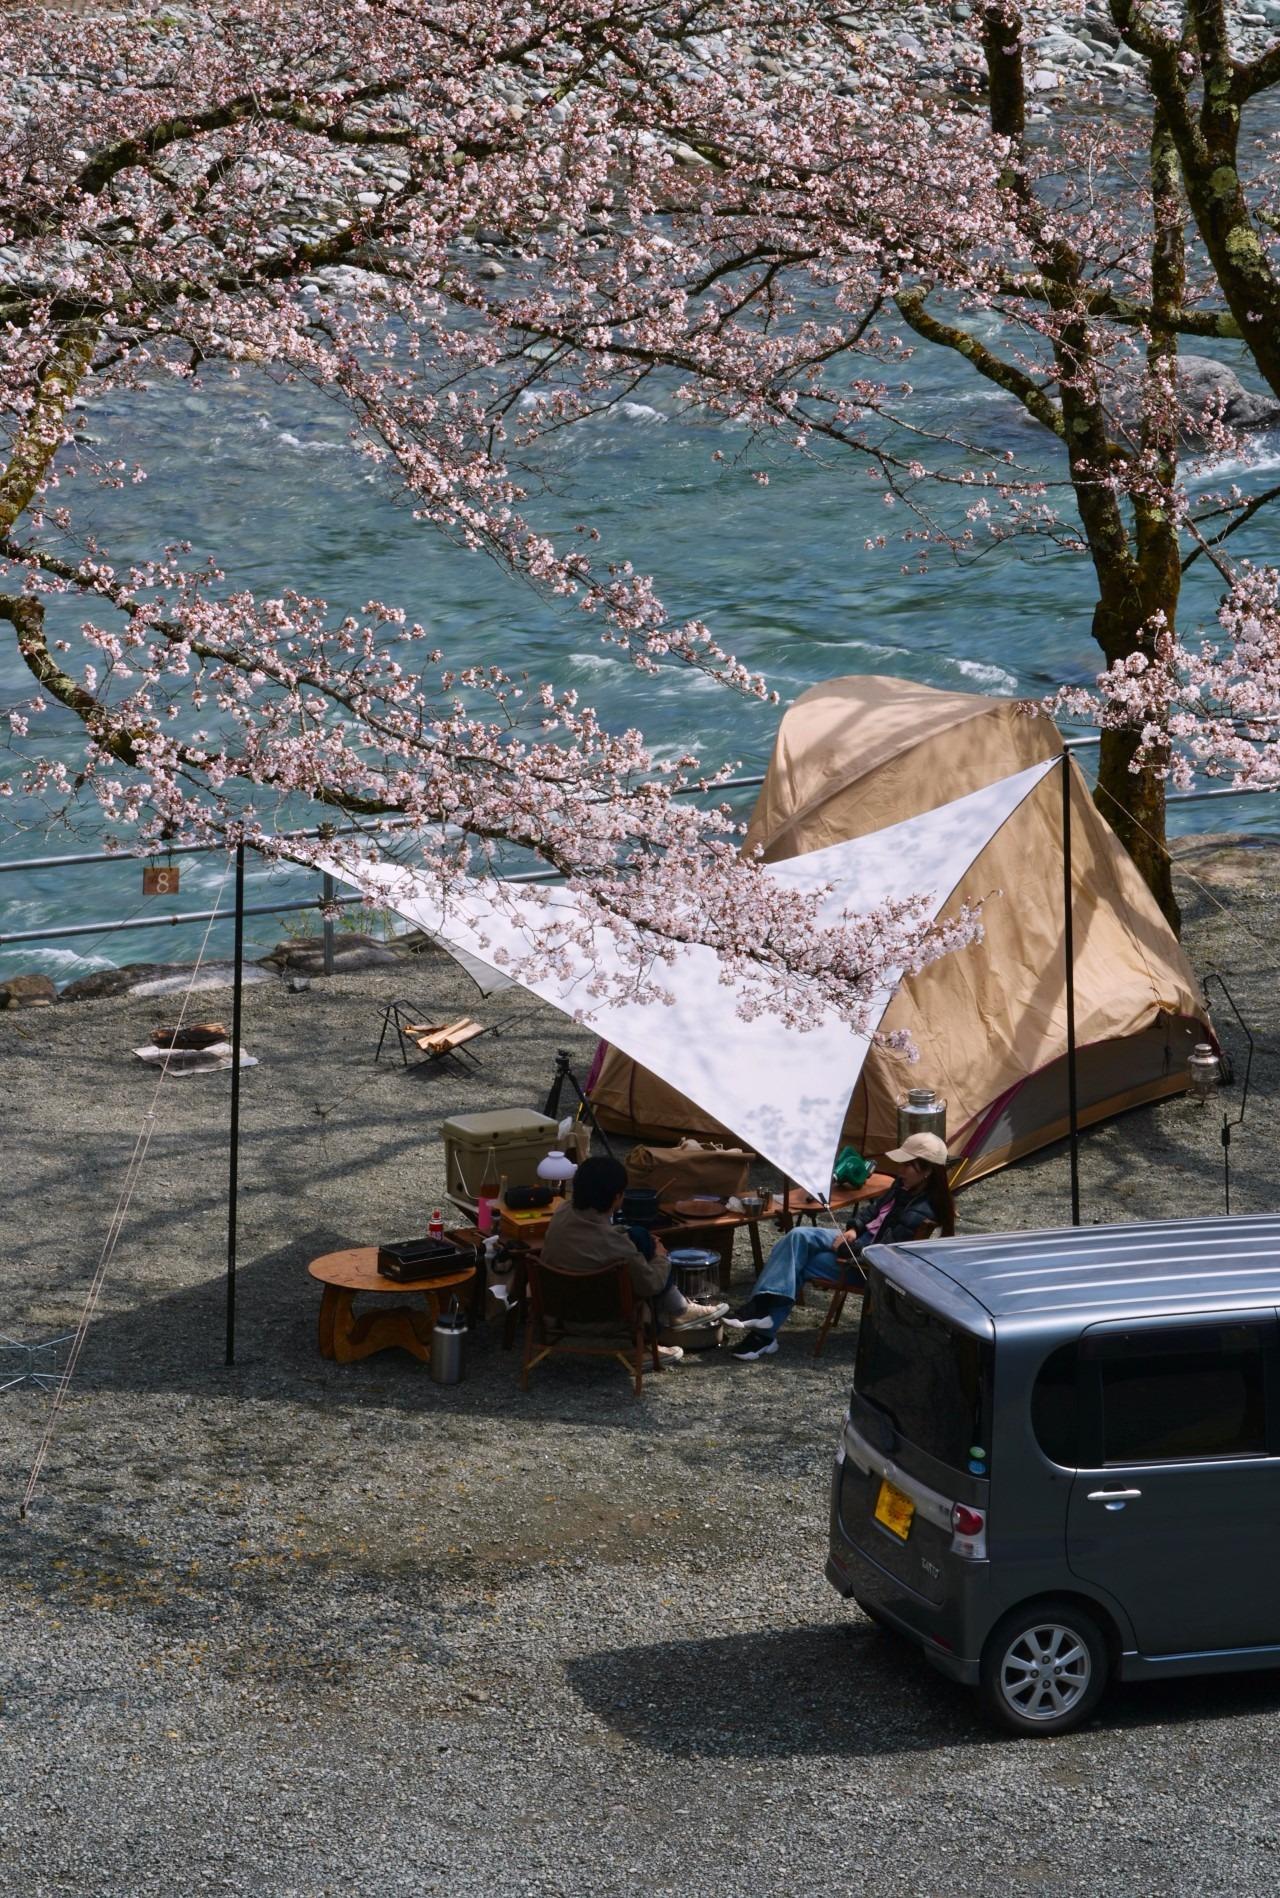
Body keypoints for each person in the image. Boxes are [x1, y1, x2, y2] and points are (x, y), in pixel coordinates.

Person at [727, 1133, 955, 1360]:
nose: (901, 1170)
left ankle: (763, 1330)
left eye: (908, 1166)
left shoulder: (922, 1210)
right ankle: (762, 1310)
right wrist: (854, 1228)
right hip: (858, 1241)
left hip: (864, 1268)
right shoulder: (904, 1186)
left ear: (927, 1172)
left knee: (797, 1261)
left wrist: (846, 1248)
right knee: (797, 1237)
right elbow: (873, 1211)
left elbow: (883, 1253)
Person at [540, 1154, 728, 1363]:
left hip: (558, 1307)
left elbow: (598, 1235)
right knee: (652, 1262)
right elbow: (651, 1284)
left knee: (638, 1235)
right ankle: (653, 1339)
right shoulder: (617, 1247)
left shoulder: (562, 1212)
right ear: (616, 1198)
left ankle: (680, 1308)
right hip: (603, 1316)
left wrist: (629, 1235)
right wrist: (661, 1256)